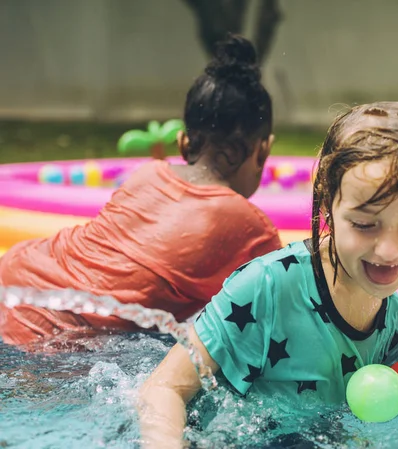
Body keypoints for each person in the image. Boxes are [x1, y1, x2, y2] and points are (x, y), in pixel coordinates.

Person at [138, 101, 398, 447]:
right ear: (327, 206)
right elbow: (164, 388)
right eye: (364, 224)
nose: (388, 251)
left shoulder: (393, 326)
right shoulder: (267, 288)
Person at [0, 34, 282, 347]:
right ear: (263, 152)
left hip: (17, 277)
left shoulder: (148, 173)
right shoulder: (251, 229)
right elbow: (282, 322)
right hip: (56, 336)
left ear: (182, 142)